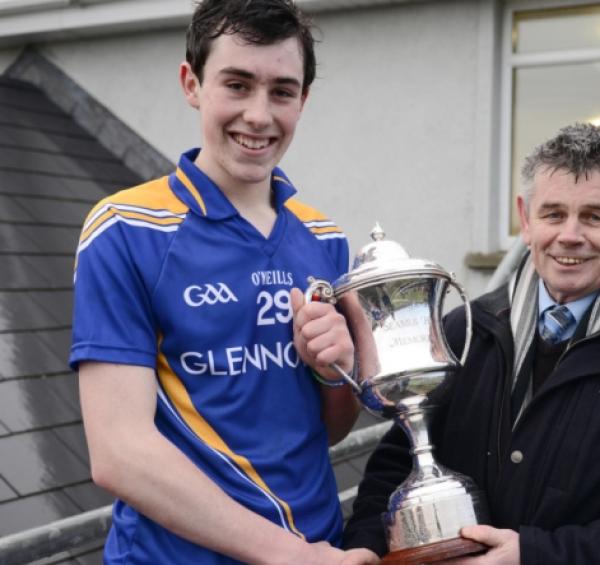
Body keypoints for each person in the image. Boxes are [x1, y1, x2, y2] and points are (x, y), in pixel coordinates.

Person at [343, 123, 600, 564]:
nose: (569, 235)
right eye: (553, 214)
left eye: (594, 216)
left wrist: (533, 555)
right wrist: (365, 545)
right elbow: (398, 464)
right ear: (526, 220)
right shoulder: (462, 333)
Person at [70, 1, 377, 563]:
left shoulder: (325, 238)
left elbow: (329, 430)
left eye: (281, 92)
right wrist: (291, 556)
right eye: (237, 85)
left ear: (303, 101)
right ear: (192, 84)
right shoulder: (125, 229)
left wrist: (335, 372)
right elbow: (119, 452)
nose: (259, 115)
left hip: (322, 547)